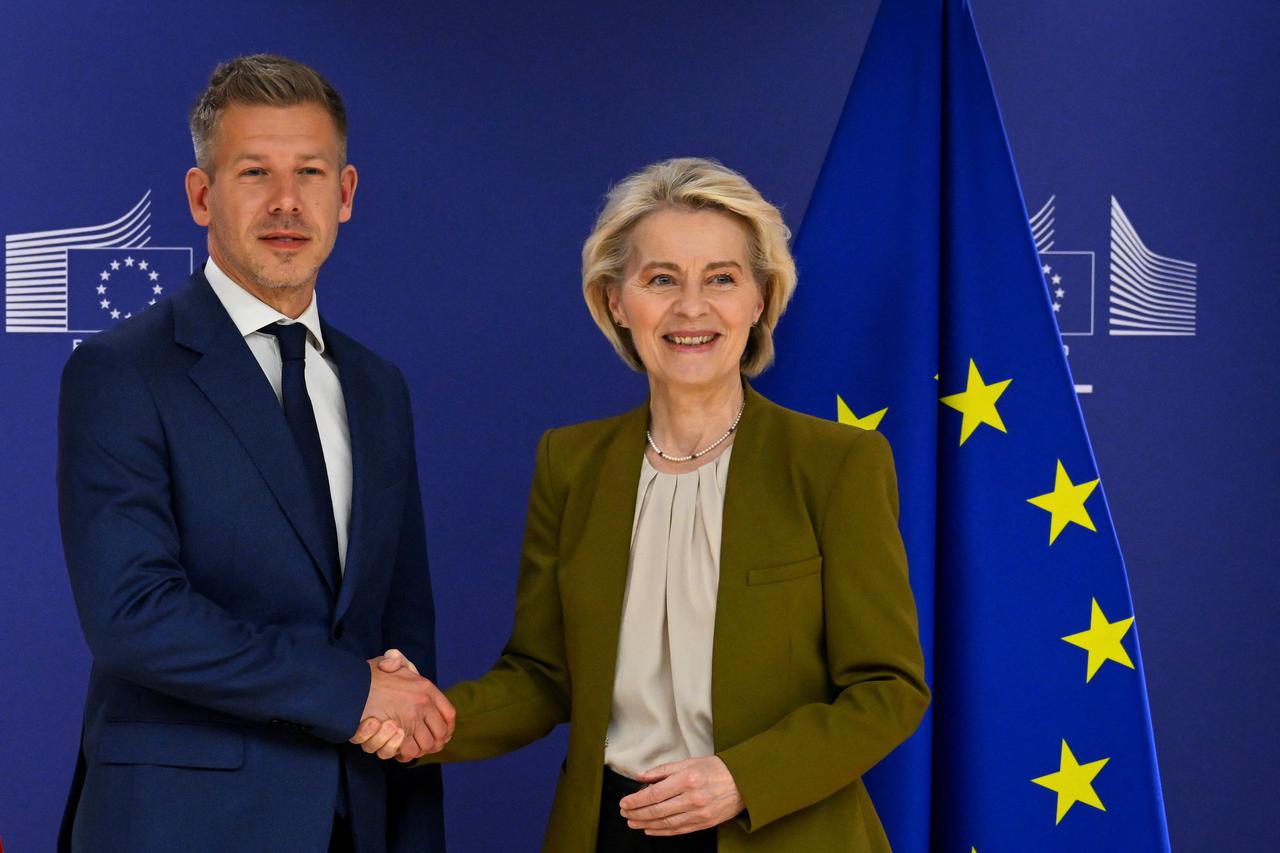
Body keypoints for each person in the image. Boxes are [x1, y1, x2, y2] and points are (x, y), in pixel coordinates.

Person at [362, 158, 929, 851]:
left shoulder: (836, 464)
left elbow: (887, 687)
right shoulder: (570, 464)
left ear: (760, 300)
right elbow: (542, 678)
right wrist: (417, 715)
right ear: (615, 302)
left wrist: (742, 777)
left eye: (721, 278)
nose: (692, 308)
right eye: (661, 279)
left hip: (778, 830)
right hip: (608, 832)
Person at [56, 54, 453, 853]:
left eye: (310, 171)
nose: (285, 202)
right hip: (179, 827)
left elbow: (401, 636)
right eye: (253, 173)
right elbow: (134, 616)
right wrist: (353, 692)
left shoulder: (379, 386)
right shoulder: (121, 371)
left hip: (357, 819)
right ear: (202, 196)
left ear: (345, 194)